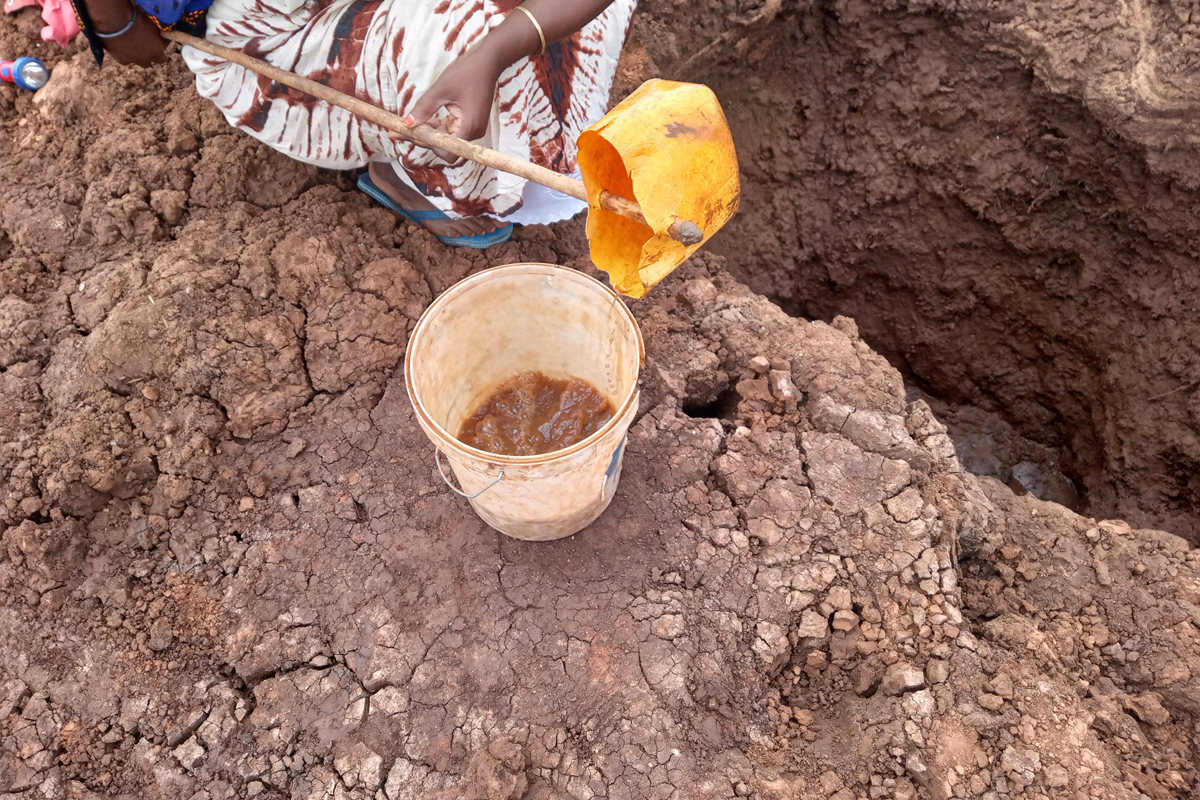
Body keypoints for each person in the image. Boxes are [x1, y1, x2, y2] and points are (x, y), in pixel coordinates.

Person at [67, 0, 634, 249]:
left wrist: (496, 52)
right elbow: (135, 46)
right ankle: (404, 172)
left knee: (506, 31)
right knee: (462, 39)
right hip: (264, 31)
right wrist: (111, 17)